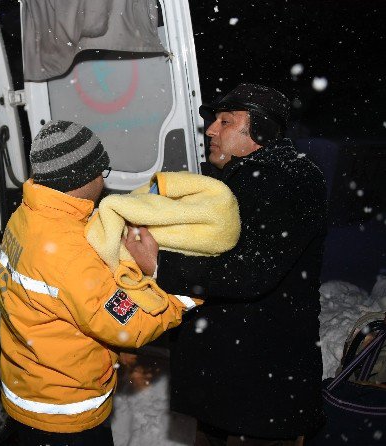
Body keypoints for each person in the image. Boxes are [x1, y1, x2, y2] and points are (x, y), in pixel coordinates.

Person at [129, 83, 327, 445]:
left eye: (226, 121)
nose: (211, 130)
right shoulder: (241, 176)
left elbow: (249, 271)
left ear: (261, 131)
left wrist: (159, 264)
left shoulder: (283, 179)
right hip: (232, 380)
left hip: (259, 385)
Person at [0, 120, 189, 446]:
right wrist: (183, 294)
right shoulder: (70, 252)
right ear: (81, 179)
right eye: (103, 172)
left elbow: (69, 291)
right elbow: (131, 326)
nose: (103, 181)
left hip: (27, 384)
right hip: (67, 411)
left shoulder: (26, 216)